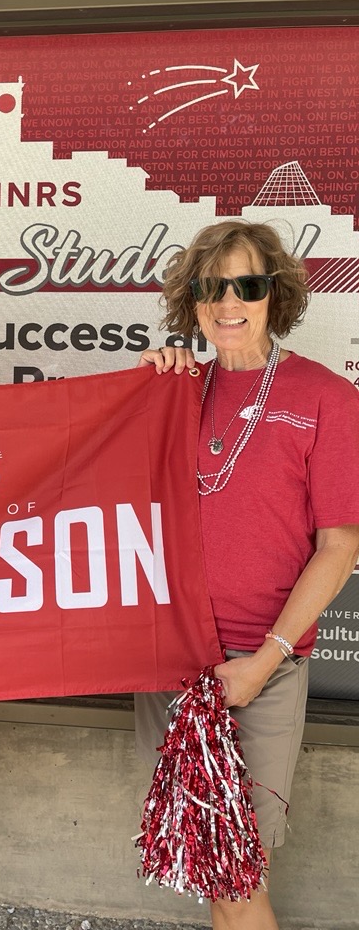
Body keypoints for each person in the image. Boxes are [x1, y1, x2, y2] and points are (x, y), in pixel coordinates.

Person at [135, 219, 359, 930]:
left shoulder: (328, 398)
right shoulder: (170, 393)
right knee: (211, 862)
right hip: (170, 662)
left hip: (259, 663)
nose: (229, 301)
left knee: (239, 865)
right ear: (193, 299)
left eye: (248, 285)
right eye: (212, 286)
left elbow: (339, 547)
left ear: (276, 295)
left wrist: (264, 662)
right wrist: (145, 390)